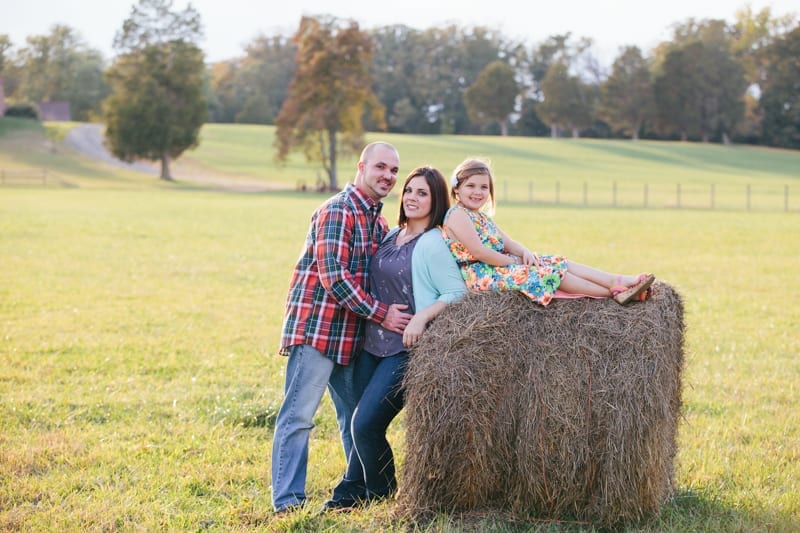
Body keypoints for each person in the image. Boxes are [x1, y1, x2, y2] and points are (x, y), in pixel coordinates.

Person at [271, 142, 413, 514]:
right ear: (361, 166)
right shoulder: (338, 210)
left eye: (394, 170)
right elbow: (334, 276)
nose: (388, 176)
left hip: (351, 336)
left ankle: (360, 491)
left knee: (356, 418)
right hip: (318, 330)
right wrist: (382, 314)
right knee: (298, 417)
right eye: (381, 167)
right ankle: (287, 502)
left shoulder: (377, 220)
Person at [324, 166, 467, 511]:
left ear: (436, 202)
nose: (412, 198)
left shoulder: (433, 242)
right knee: (357, 424)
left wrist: (420, 317)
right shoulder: (391, 236)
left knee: (365, 423)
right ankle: (350, 493)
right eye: (409, 191)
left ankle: (383, 490)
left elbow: (456, 292)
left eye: (423, 193)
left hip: (403, 349)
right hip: (370, 344)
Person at [443, 157, 655, 306]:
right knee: (548, 274)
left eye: (484, 187)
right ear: (457, 188)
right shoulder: (457, 215)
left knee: (557, 261)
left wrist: (525, 252)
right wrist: (515, 262)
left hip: (499, 268)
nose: (478, 192)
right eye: (471, 186)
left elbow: (509, 243)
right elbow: (480, 253)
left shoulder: (481, 216)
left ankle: (615, 281)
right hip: (481, 275)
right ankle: (614, 294)